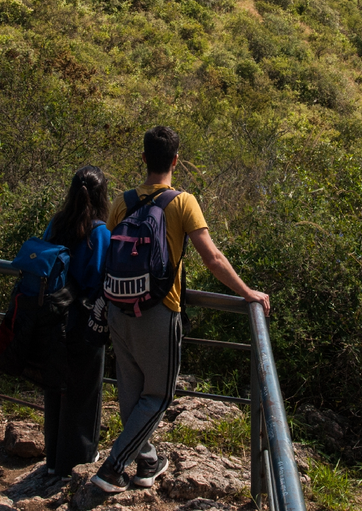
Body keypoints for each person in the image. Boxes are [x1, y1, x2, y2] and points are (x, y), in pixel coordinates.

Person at [92, 126, 271, 493]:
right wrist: (247, 291)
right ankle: (112, 467)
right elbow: (213, 257)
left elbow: (108, 252)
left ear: (143, 159)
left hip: (118, 308)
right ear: (176, 160)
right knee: (158, 395)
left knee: (130, 390)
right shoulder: (182, 201)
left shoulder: (123, 201)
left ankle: (147, 461)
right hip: (159, 311)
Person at [42, 165, 112, 478]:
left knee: (56, 390)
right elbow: (99, 278)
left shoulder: (56, 224)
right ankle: (80, 459)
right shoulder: (99, 232)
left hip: (51, 318)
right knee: (84, 392)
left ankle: (54, 460)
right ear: (102, 195)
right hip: (83, 323)